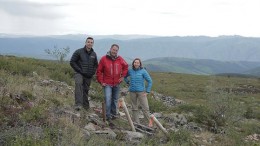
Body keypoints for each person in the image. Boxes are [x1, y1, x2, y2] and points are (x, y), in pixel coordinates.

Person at [96, 44, 128, 121]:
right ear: (110, 49)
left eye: (116, 50)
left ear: (118, 51)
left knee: (115, 100)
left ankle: (113, 115)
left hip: (117, 83)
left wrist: (122, 76)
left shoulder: (120, 59)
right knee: (108, 99)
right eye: (113, 50)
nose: (114, 51)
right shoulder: (104, 59)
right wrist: (101, 81)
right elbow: (99, 71)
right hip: (107, 84)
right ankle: (107, 116)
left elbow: (126, 67)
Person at [70, 37, 98, 111]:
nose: (90, 43)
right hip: (79, 73)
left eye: (91, 42)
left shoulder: (94, 54)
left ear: (93, 44)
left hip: (88, 75)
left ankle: (85, 106)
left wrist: (92, 72)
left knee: (85, 90)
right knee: (78, 84)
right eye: (88, 42)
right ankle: (78, 105)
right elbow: (72, 62)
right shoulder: (78, 52)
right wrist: (79, 70)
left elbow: (96, 65)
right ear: (85, 43)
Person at [124, 58, 152, 124]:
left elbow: (150, 81)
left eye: (138, 63)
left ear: (140, 64)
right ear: (133, 63)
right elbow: (124, 77)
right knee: (134, 108)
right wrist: (128, 82)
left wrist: (147, 91)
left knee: (145, 108)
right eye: (135, 62)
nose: (136, 64)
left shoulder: (143, 71)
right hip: (132, 91)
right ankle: (137, 123)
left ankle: (148, 124)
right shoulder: (130, 71)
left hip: (141, 92)